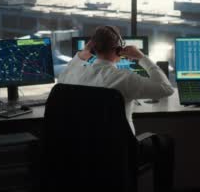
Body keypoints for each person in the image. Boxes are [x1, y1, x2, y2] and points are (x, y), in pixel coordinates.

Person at [58, 25, 175, 192]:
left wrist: (81, 55)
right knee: (165, 143)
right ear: (119, 49)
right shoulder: (124, 78)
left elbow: (62, 80)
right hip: (118, 154)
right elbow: (166, 89)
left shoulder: (71, 75)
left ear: (92, 47)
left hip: (80, 152)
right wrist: (141, 57)